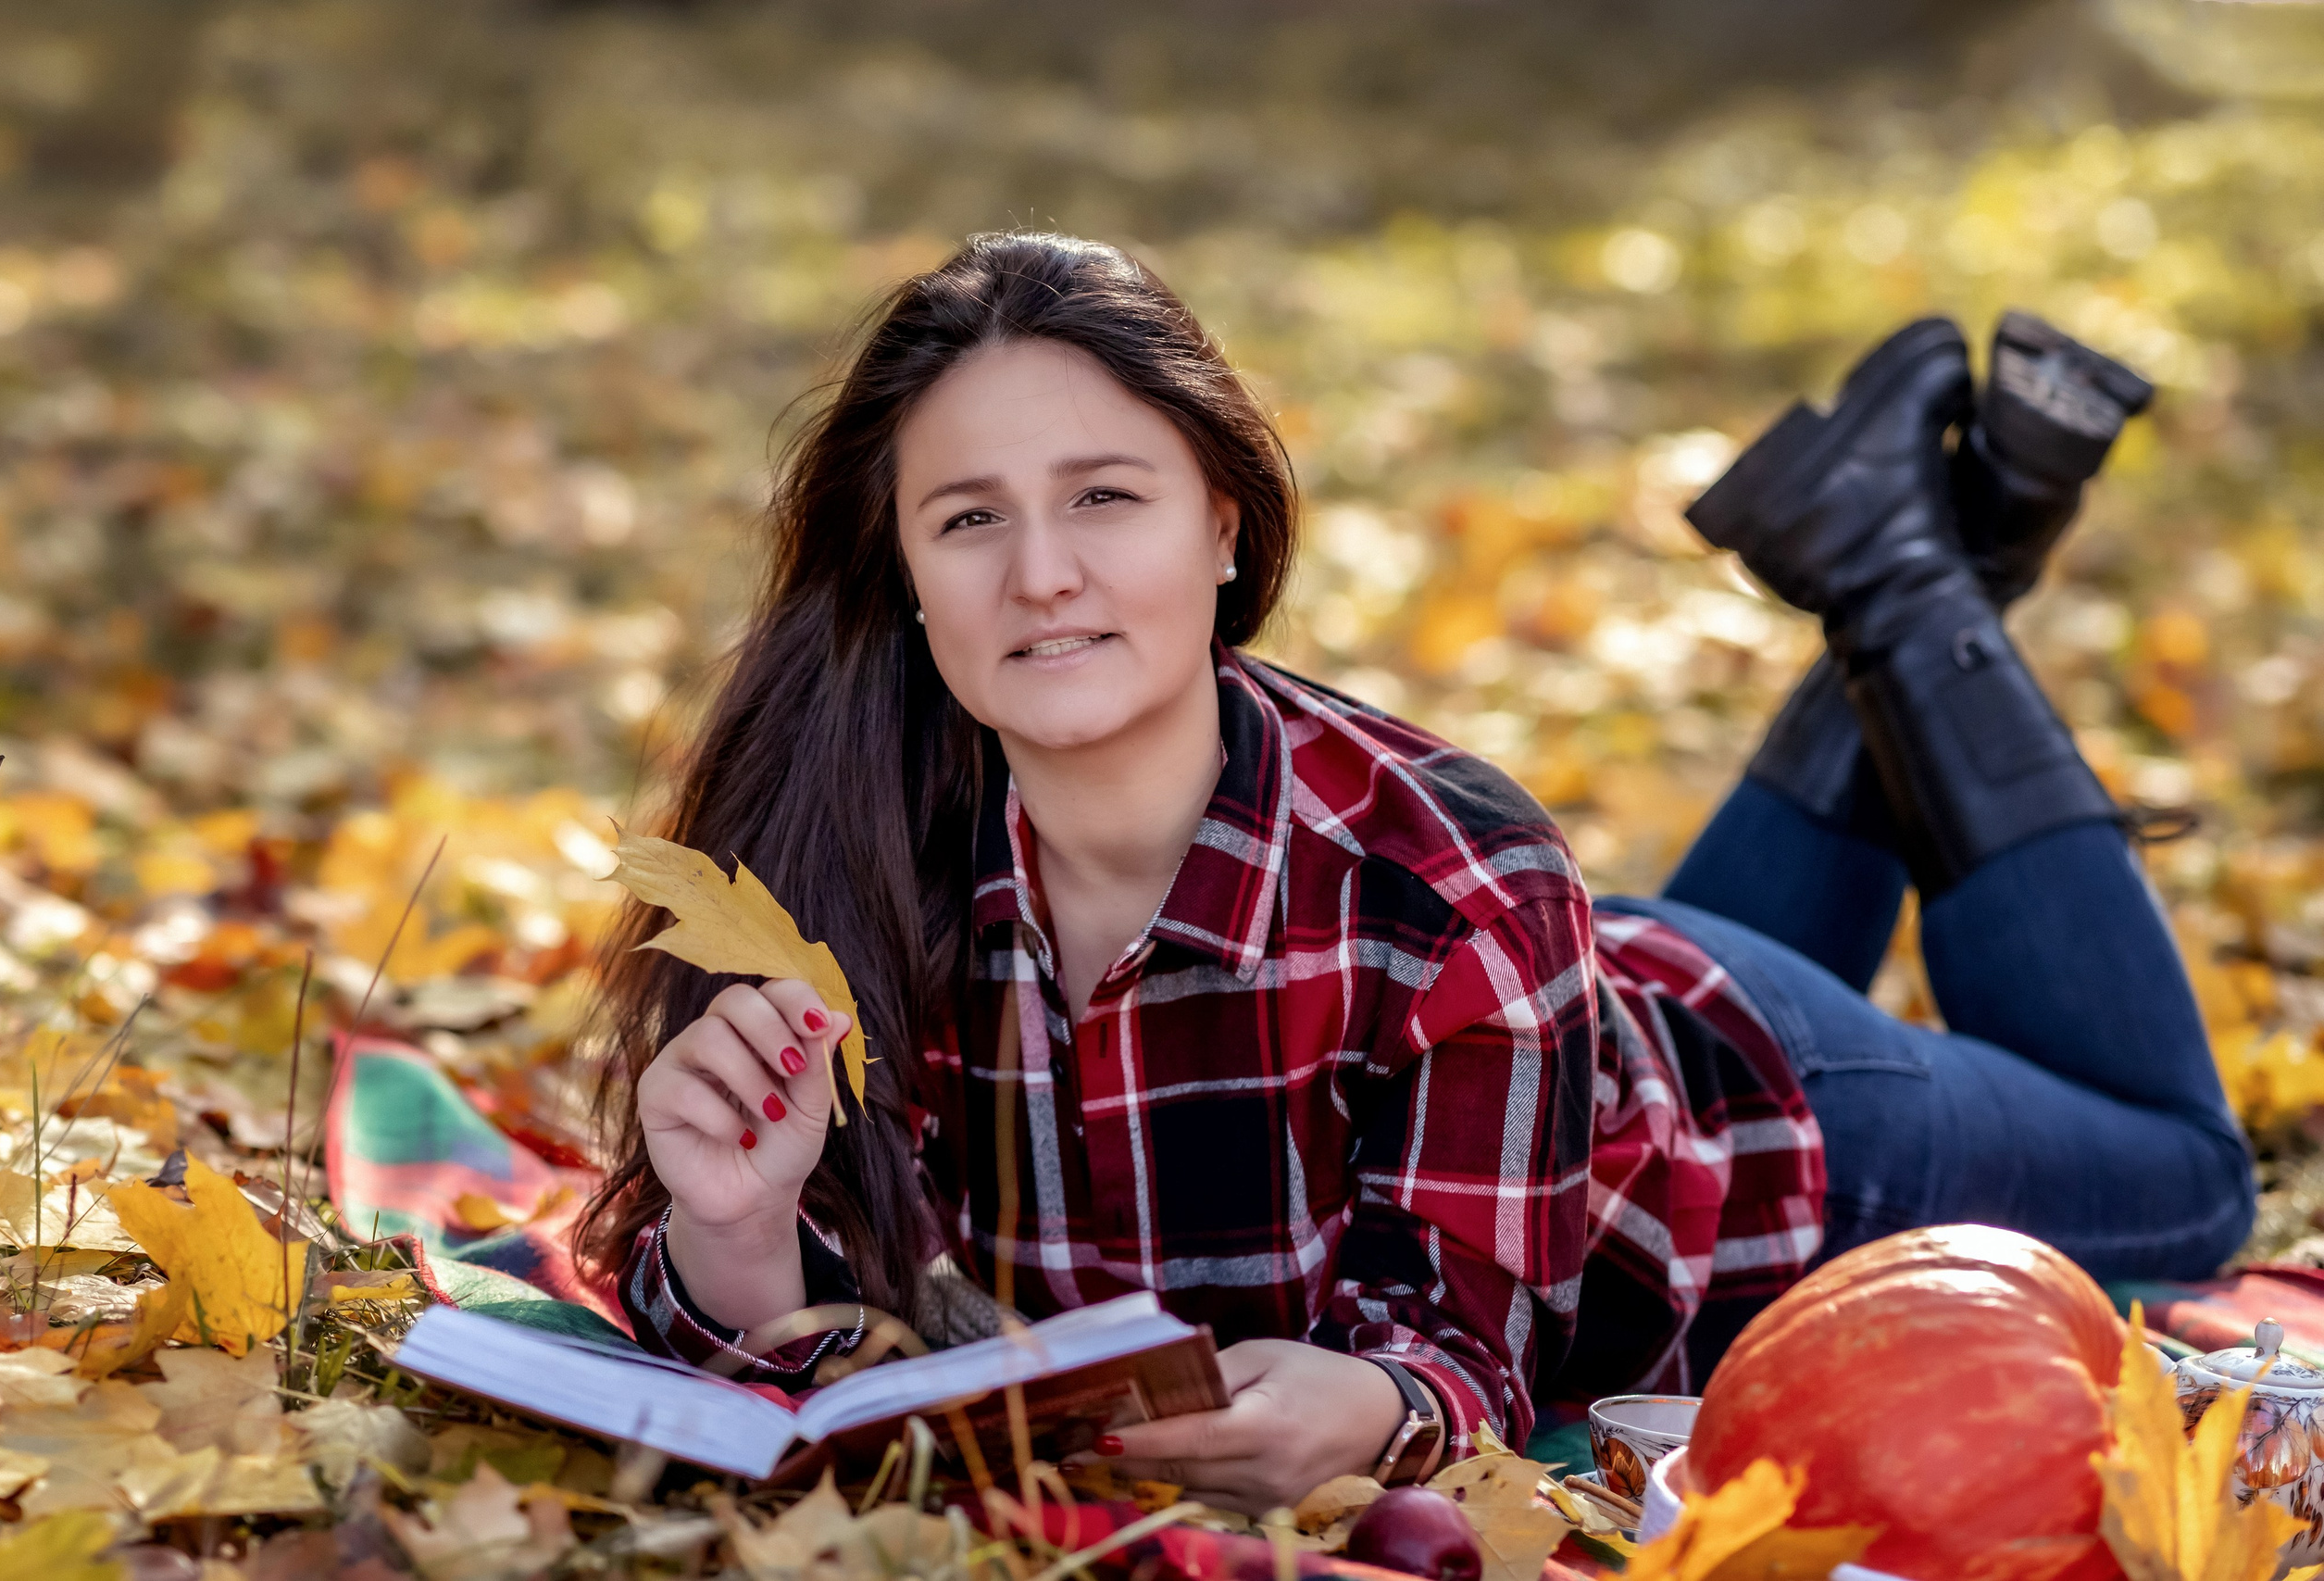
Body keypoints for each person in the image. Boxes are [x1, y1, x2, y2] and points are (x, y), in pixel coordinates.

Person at [577, 232, 2253, 1512]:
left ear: (1225, 527)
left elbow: (1463, 1352)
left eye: (1106, 496)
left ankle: (1906, 571)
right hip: (1548, 1011)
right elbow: (778, 1343)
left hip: (1759, 1125)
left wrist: (1374, 1410)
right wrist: (738, 1242)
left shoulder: (1451, 872)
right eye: (968, 520)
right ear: (907, 576)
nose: (1044, 576)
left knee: (2191, 1189)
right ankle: (1933, 533)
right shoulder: (848, 872)